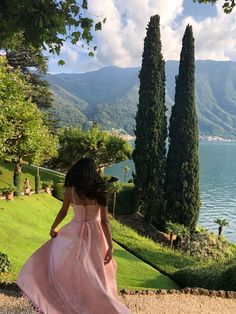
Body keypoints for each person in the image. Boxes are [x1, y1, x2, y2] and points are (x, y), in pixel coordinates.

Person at [17, 157, 131, 314]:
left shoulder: (71, 190)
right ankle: (103, 306)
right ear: (92, 171)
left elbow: (63, 211)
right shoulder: (101, 191)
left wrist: (53, 227)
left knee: (71, 269)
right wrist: (110, 246)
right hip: (96, 235)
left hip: (74, 232)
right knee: (96, 273)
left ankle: (71, 302)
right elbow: (104, 222)